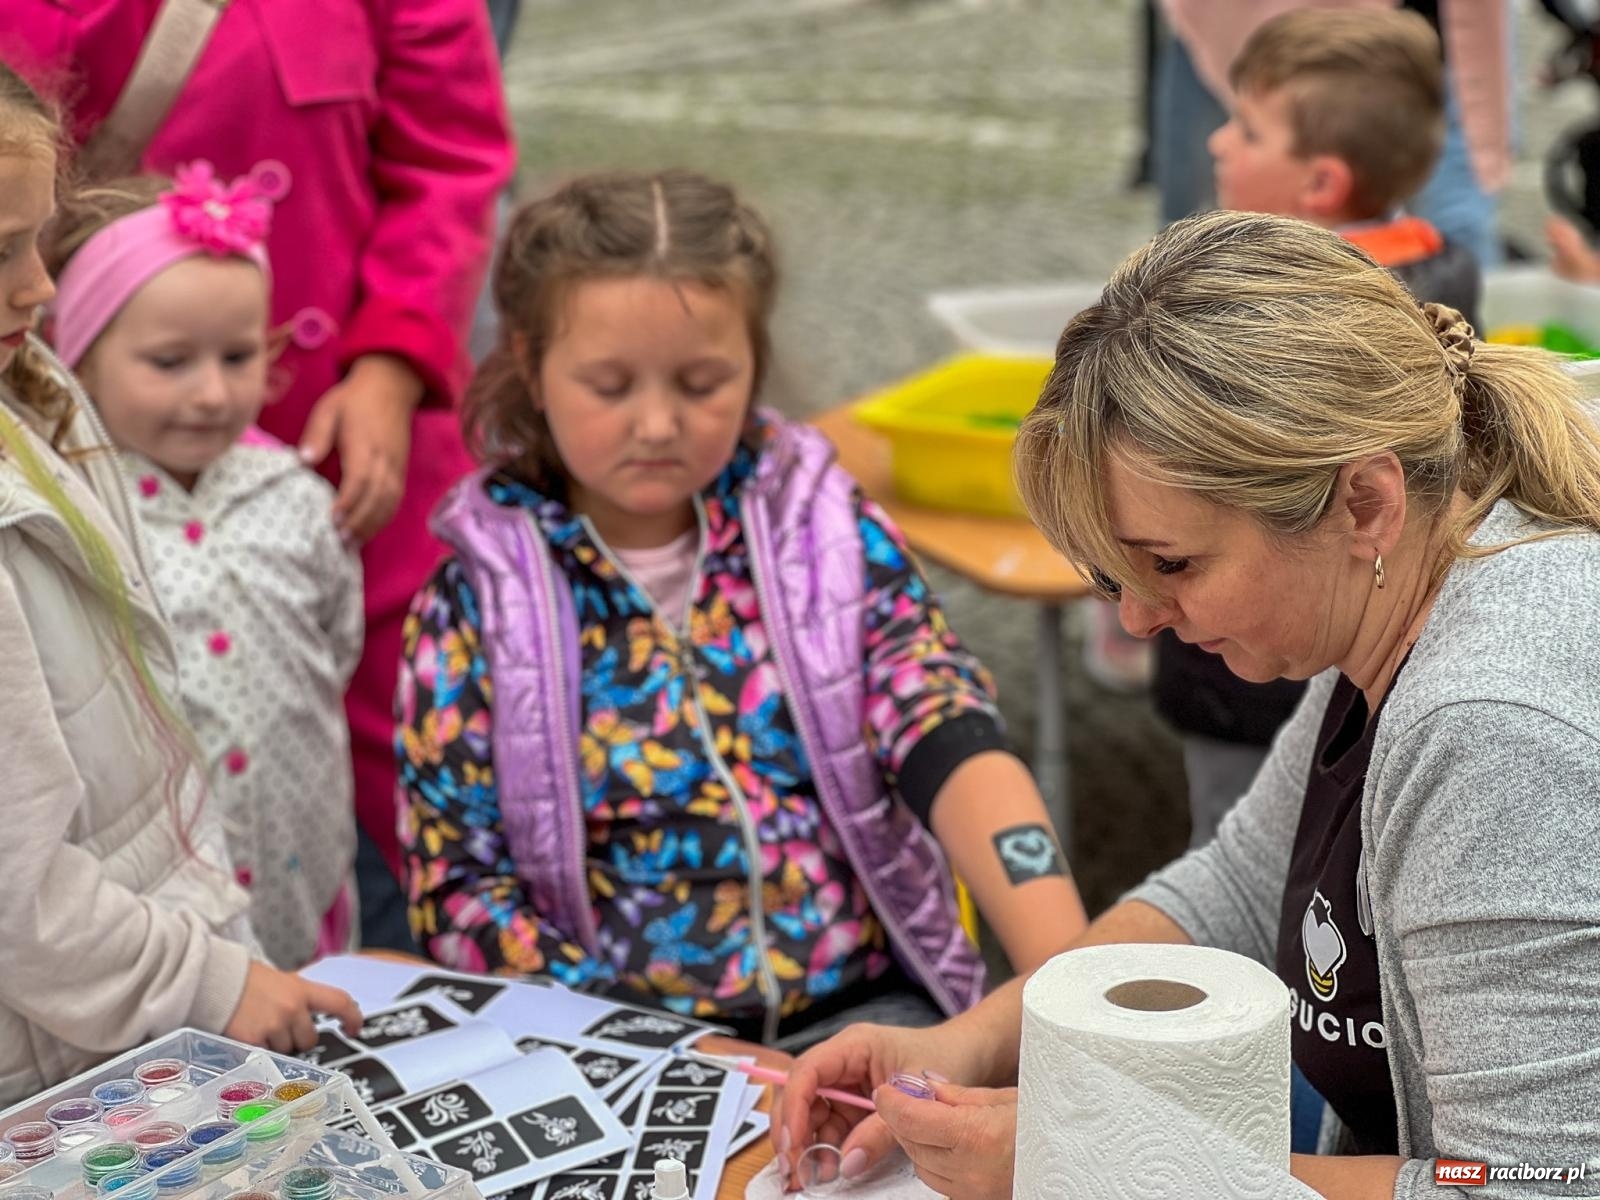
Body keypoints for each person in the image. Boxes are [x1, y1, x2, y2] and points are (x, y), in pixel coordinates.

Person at [776, 211, 1600, 1198]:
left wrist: (1076, 1164)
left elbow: (1533, 1189)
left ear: (1362, 504)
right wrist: (975, 1043)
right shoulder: (1405, 591)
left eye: (1171, 563)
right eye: (1116, 573)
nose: (1138, 616)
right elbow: (1237, 889)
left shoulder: (1488, 727)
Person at [396, 170, 1089, 1049]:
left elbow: (944, 725)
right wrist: (659, 1052)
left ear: (755, 362)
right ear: (530, 367)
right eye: (610, 386)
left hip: (864, 1015)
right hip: (616, 1046)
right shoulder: (474, 603)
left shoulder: (826, 535)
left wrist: (1066, 975)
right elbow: (459, 893)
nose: (657, 423)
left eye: (701, 382)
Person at [0, 0, 515, 952]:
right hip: (90, 431)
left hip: (350, 443)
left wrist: (394, 364)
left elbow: (447, 155)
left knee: (412, 779)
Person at [0, 64, 360, 1103]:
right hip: (76, 1060)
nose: (41, 286)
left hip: (155, 1007)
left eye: (38, 237)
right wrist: (205, 979)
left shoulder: (33, 391)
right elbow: (19, 887)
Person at [1165, 6, 1482, 851]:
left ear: (1321, 186)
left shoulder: (1264, 317)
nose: (1218, 144)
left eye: (1250, 128)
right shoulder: (1447, 270)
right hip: (1382, 642)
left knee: (1241, 844)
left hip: (1244, 666)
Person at [44, 166, 364, 971]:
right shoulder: (78, 517)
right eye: (170, 361)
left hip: (302, 878)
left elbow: (336, 642)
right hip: (163, 919)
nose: (212, 392)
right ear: (78, 359)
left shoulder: (296, 496)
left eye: (238, 355)